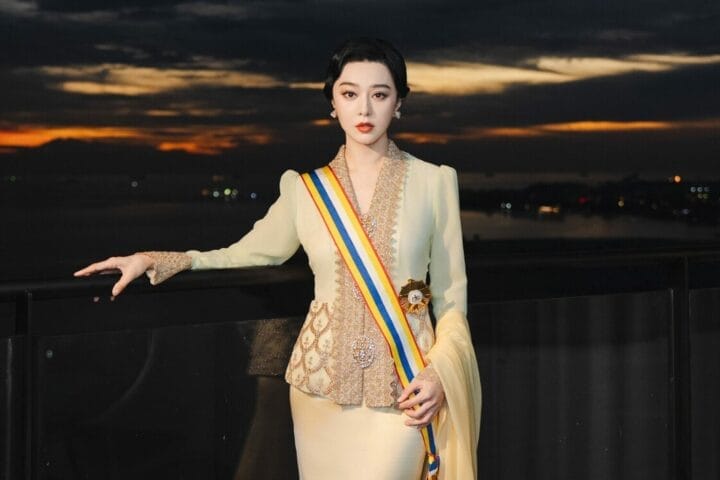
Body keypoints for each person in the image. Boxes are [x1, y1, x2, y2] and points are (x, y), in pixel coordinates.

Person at [75, 37, 481, 479]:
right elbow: (244, 254)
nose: (364, 109)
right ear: (332, 104)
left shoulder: (434, 182)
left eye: (379, 95)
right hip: (319, 389)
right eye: (349, 94)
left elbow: (450, 299)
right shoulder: (304, 191)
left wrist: (441, 374)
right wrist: (155, 260)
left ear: (399, 103)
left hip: (405, 387)